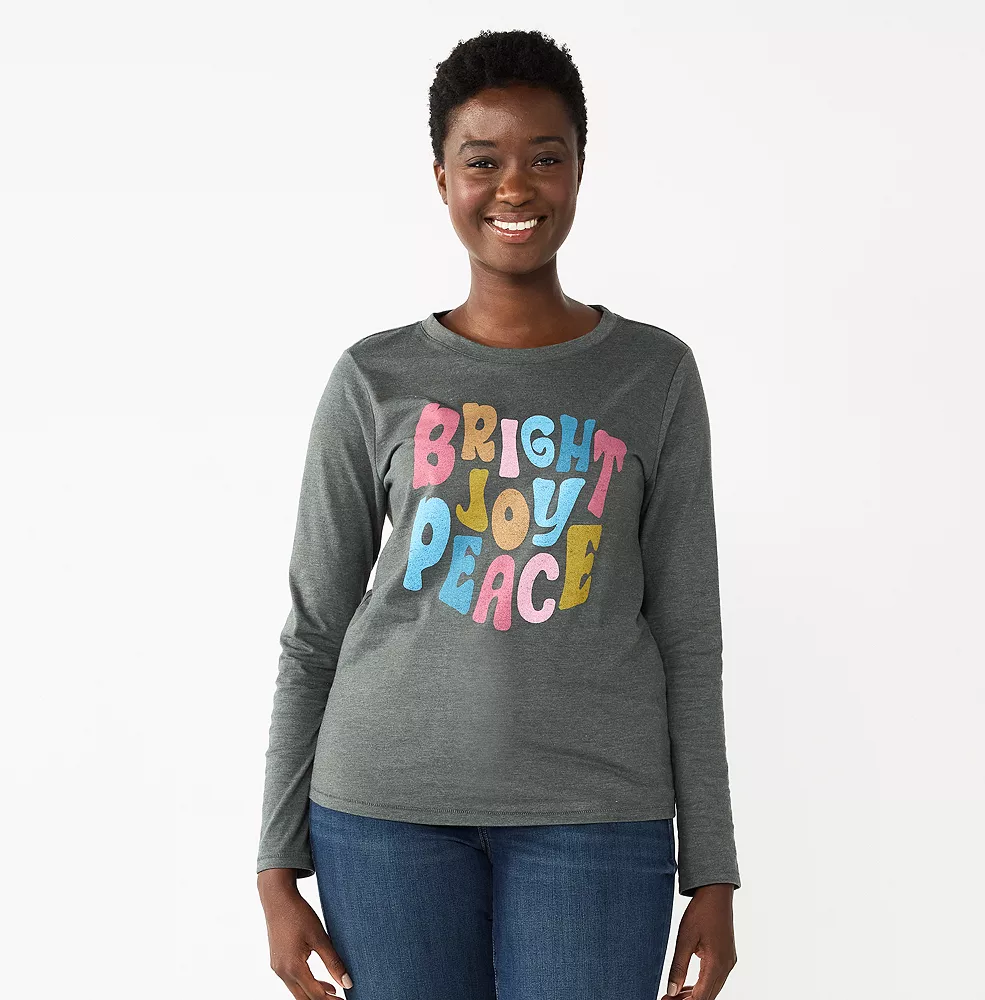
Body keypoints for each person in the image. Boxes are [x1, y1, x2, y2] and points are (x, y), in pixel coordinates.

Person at [256, 28, 741, 1000]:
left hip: (597, 818)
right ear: (442, 177)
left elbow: (689, 637)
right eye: (482, 161)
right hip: (383, 816)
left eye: (544, 158)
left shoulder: (653, 375)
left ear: (579, 170)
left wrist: (714, 872)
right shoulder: (374, 377)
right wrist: (276, 867)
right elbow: (314, 630)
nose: (513, 187)